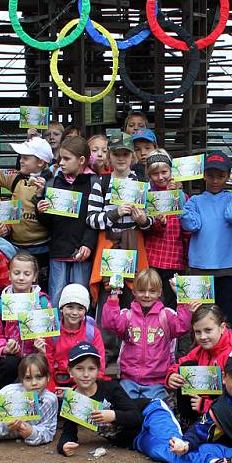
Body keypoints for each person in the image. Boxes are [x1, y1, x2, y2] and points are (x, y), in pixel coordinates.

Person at [86, 132, 151, 352]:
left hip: (134, 244)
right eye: (116, 154)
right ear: (109, 157)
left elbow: (150, 219)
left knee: (135, 295)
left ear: (132, 156)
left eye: (125, 154)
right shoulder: (101, 184)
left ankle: (132, 349)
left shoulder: (142, 183)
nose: (121, 158)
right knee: (108, 295)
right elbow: (92, 219)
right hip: (110, 245)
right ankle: (107, 349)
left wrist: (143, 220)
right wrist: (114, 214)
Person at [101, 268, 193, 401]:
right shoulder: (128, 315)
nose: (146, 295)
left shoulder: (165, 315)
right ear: (134, 292)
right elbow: (110, 323)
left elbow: (183, 326)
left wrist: (182, 298)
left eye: (152, 291)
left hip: (157, 381)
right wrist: (114, 294)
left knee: (153, 410)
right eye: (142, 291)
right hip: (129, 379)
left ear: (159, 292)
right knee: (126, 407)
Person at [180, 151, 232, 329]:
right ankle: (200, 352)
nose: (215, 180)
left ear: (228, 176)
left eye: (220, 176)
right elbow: (190, 224)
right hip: (200, 267)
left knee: (228, 313)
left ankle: (230, 350)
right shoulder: (195, 200)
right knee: (200, 314)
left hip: (227, 266)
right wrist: (177, 193)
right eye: (211, 175)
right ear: (204, 176)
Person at [34, 135, 98, 304]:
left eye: (67, 158)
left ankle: (81, 330)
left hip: (82, 251)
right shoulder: (54, 183)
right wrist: (41, 209)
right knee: (56, 296)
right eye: (60, 157)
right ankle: (57, 330)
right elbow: (48, 222)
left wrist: (88, 244)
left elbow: (94, 219)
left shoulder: (93, 183)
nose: (61, 162)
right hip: (58, 250)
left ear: (81, 160)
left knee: (81, 297)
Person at [56, 343, 145, 457]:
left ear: (98, 370)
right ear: (70, 371)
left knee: (164, 446)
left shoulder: (111, 387)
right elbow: (68, 433)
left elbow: (136, 417)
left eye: (91, 369)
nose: (86, 374)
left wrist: (113, 416)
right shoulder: (73, 401)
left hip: (151, 412)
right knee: (154, 449)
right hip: (136, 438)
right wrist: (63, 446)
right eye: (79, 368)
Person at [165, 304, 232, 425]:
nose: (203, 337)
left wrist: (206, 405)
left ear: (222, 327)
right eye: (198, 332)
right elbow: (181, 363)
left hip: (229, 413)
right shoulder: (202, 349)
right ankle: (187, 420)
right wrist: (171, 376)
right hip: (202, 403)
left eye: (208, 330)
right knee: (187, 366)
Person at [0, 252, 51, 388]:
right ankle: (5, 398)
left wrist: (43, 344)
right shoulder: (0, 305)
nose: (21, 278)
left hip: (36, 354)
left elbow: (51, 331)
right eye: (17, 273)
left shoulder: (42, 302)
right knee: (8, 365)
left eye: (27, 274)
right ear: (10, 275)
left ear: (34, 276)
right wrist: (5, 348)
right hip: (13, 356)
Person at [0, 136, 53, 284]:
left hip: (43, 249)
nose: (21, 160)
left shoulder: (53, 183)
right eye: (21, 157)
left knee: (41, 287)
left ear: (41, 162)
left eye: (26, 158)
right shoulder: (14, 178)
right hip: (17, 248)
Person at [143, 149, 189, 311]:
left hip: (175, 257)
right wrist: (158, 223)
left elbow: (187, 227)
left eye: (164, 172)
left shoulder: (182, 195)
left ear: (171, 171)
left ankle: (171, 334)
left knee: (172, 299)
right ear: (149, 175)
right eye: (155, 174)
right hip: (152, 256)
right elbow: (145, 228)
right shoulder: (147, 196)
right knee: (151, 296)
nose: (161, 177)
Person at [44, 284, 105, 391]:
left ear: (85, 311)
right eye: (69, 307)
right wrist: (53, 389)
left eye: (80, 308)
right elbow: (47, 366)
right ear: (62, 308)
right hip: (58, 381)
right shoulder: (52, 332)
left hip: (85, 381)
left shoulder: (92, 333)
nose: (74, 313)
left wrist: (77, 390)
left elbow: (100, 365)